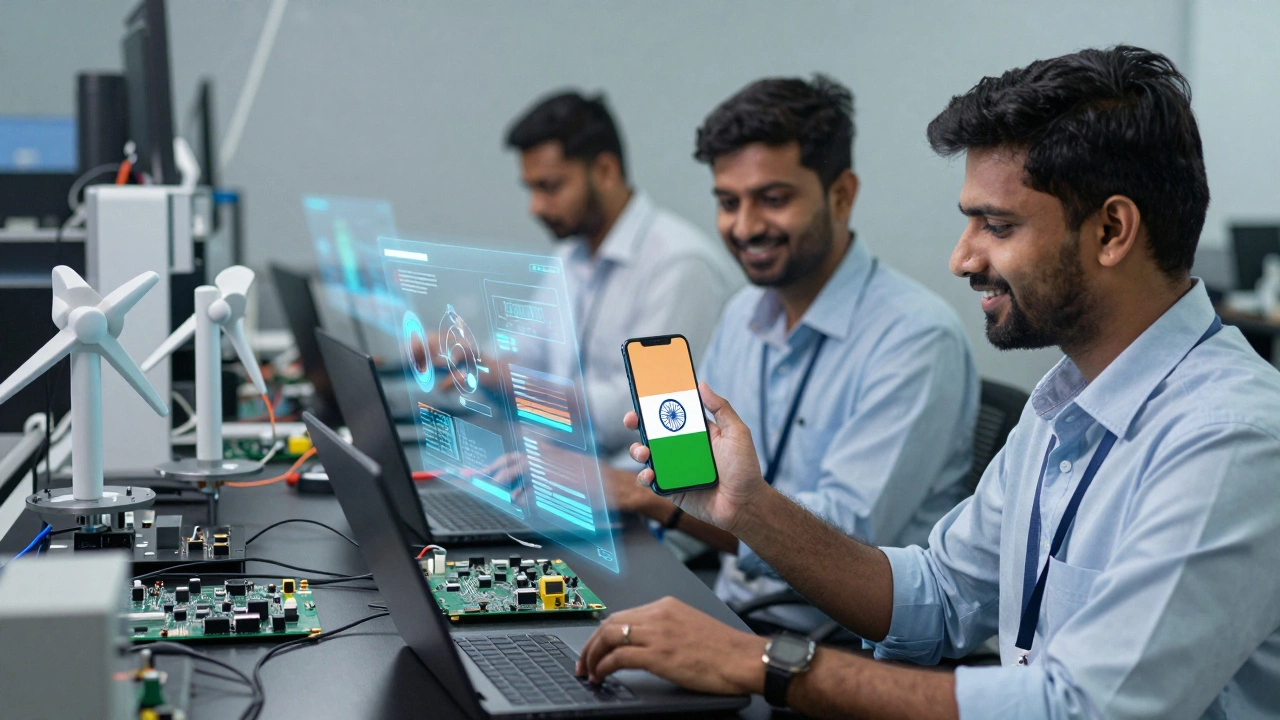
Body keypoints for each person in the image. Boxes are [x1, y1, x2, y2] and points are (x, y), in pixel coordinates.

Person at [576, 46, 1280, 719]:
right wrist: (747, 507)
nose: (960, 258)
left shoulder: (1230, 441)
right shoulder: (1066, 399)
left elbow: (1080, 708)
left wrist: (762, 663)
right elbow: (936, 596)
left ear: (1111, 230)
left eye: (995, 225)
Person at [603, 75, 978, 631]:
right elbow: (694, 470)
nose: (746, 226)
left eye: (773, 199)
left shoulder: (916, 337)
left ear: (841, 195)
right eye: (728, 202)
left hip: (832, 650)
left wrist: (662, 507)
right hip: (729, 610)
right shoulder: (743, 314)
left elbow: (850, 539)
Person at [504, 91, 741, 464]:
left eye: (550, 187)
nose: (536, 207)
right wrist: (470, 360)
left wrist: (509, 385)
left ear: (605, 171)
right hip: (567, 477)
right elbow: (526, 351)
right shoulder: (570, 255)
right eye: (531, 188)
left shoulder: (679, 264)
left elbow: (642, 416)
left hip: (645, 500)